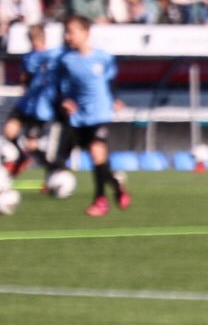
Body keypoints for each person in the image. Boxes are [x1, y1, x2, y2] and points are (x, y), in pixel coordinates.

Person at [55, 15, 128, 217]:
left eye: (72, 32)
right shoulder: (66, 61)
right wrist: (65, 100)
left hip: (101, 112)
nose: (68, 36)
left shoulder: (103, 57)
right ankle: (116, 184)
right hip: (80, 116)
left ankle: (100, 200)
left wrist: (115, 98)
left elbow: (111, 81)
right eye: (66, 32)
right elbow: (61, 87)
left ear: (86, 33)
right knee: (99, 161)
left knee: (97, 153)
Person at [2, 24, 61, 183]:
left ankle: (54, 169)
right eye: (32, 40)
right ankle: (21, 157)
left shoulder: (52, 58)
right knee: (9, 131)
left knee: (32, 144)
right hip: (26, 104)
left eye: (38, 39)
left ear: (44, 39)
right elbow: (25, 79)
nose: (35, 43)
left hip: (41, 109)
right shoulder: (28, 58)